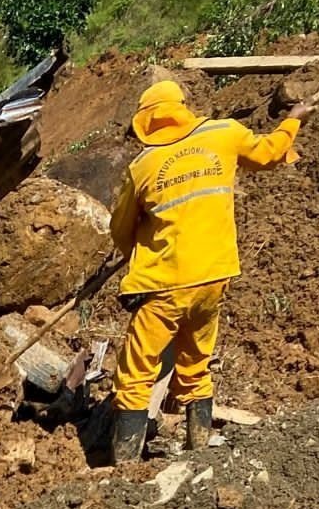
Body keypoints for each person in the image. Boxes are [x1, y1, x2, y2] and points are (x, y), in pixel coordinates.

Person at [109, 80, 312, 462]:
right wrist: (292, 121)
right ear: (184, 107)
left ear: (146, 122)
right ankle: (198, 451)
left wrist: (140, 251)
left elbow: (121, 230)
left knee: (136, 372)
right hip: (213, 278)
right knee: (194, 361)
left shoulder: (143, 167)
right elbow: (269, 153)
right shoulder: (225, 134)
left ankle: (124, 466)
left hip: (164, 285)